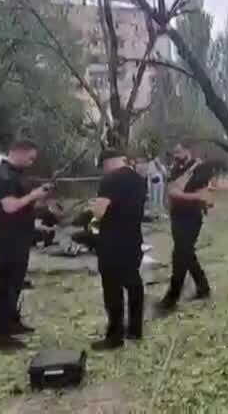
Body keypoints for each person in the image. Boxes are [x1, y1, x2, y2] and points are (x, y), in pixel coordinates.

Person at [0, 139, 51, 351]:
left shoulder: (18, 175)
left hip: (20, 237)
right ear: (19, 152)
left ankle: (12, 322)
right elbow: (9, 207)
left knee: (15, 284)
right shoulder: (2, 176)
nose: (32, 162)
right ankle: (1, 337)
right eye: (31, 157)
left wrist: (39, 201)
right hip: (6, 240)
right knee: (4, 287)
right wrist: (33, 195)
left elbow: (25, 204)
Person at [87, 149, 146, 350]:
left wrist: (92, 206)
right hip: (133, 237)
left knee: (112, 289)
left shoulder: (110, 180)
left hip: (112, 240)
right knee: (133, 283)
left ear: (107, 163)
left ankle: (114, 337)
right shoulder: (138, 179)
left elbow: (99, 212)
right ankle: (135, 329)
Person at [156, 142, 214, 313]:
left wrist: (182, 195)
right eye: (174, 151)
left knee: (180, 254)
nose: (175, 155)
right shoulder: (176, 168)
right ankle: (203, 287)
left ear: (189, 150)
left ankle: (171, 298)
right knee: (186, 253)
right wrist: (179, 194)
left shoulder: (201, 168)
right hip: (177, 216)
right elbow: (172, 191)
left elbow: (205, 197)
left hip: (191, 217)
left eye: (179, 151)